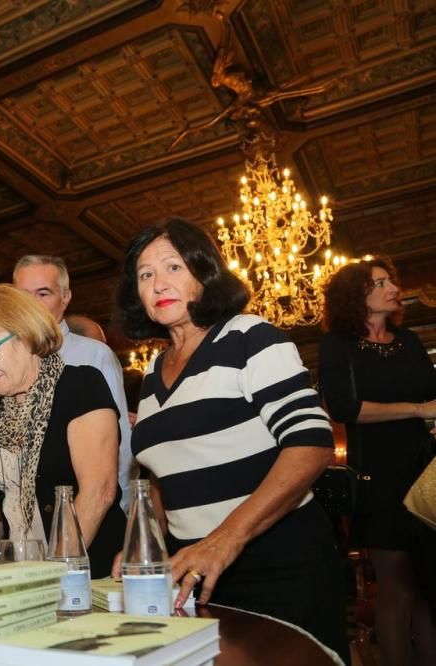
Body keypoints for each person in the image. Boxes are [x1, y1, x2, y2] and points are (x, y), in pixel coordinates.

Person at [114, 217, 348, 663]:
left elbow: (312, 444)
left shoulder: (248, 335)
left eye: (174, 267)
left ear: (205, 274)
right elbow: (166, 474)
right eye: (146, 275)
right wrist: (144, 545)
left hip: (277, 561)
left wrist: (224, 539)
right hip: (193, 572)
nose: (159, 282)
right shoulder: (149, 373)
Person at [0, 284, 126, 574]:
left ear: (26, 337)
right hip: (19, 575)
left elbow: (99, 492)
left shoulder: (79, 386)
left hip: (84, 576)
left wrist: (48, 577)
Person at [319, 257, 436, 666]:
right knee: (397, 586)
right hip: (378, 473)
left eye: (392, 280)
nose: (393, 287)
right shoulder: (339, 346)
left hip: (424, 471)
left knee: (428, 586)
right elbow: (345, 408)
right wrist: (418, 410)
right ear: (358, 295)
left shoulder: (409, 341)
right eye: (381, 282)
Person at [14, 256, 133, 512]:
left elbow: (120, 446)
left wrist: (122, 512)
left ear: (65, 297)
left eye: (43, 293)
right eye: (23, 295)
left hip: (84, 512)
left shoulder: (94, 355)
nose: (32, 305)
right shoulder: (1, 362)